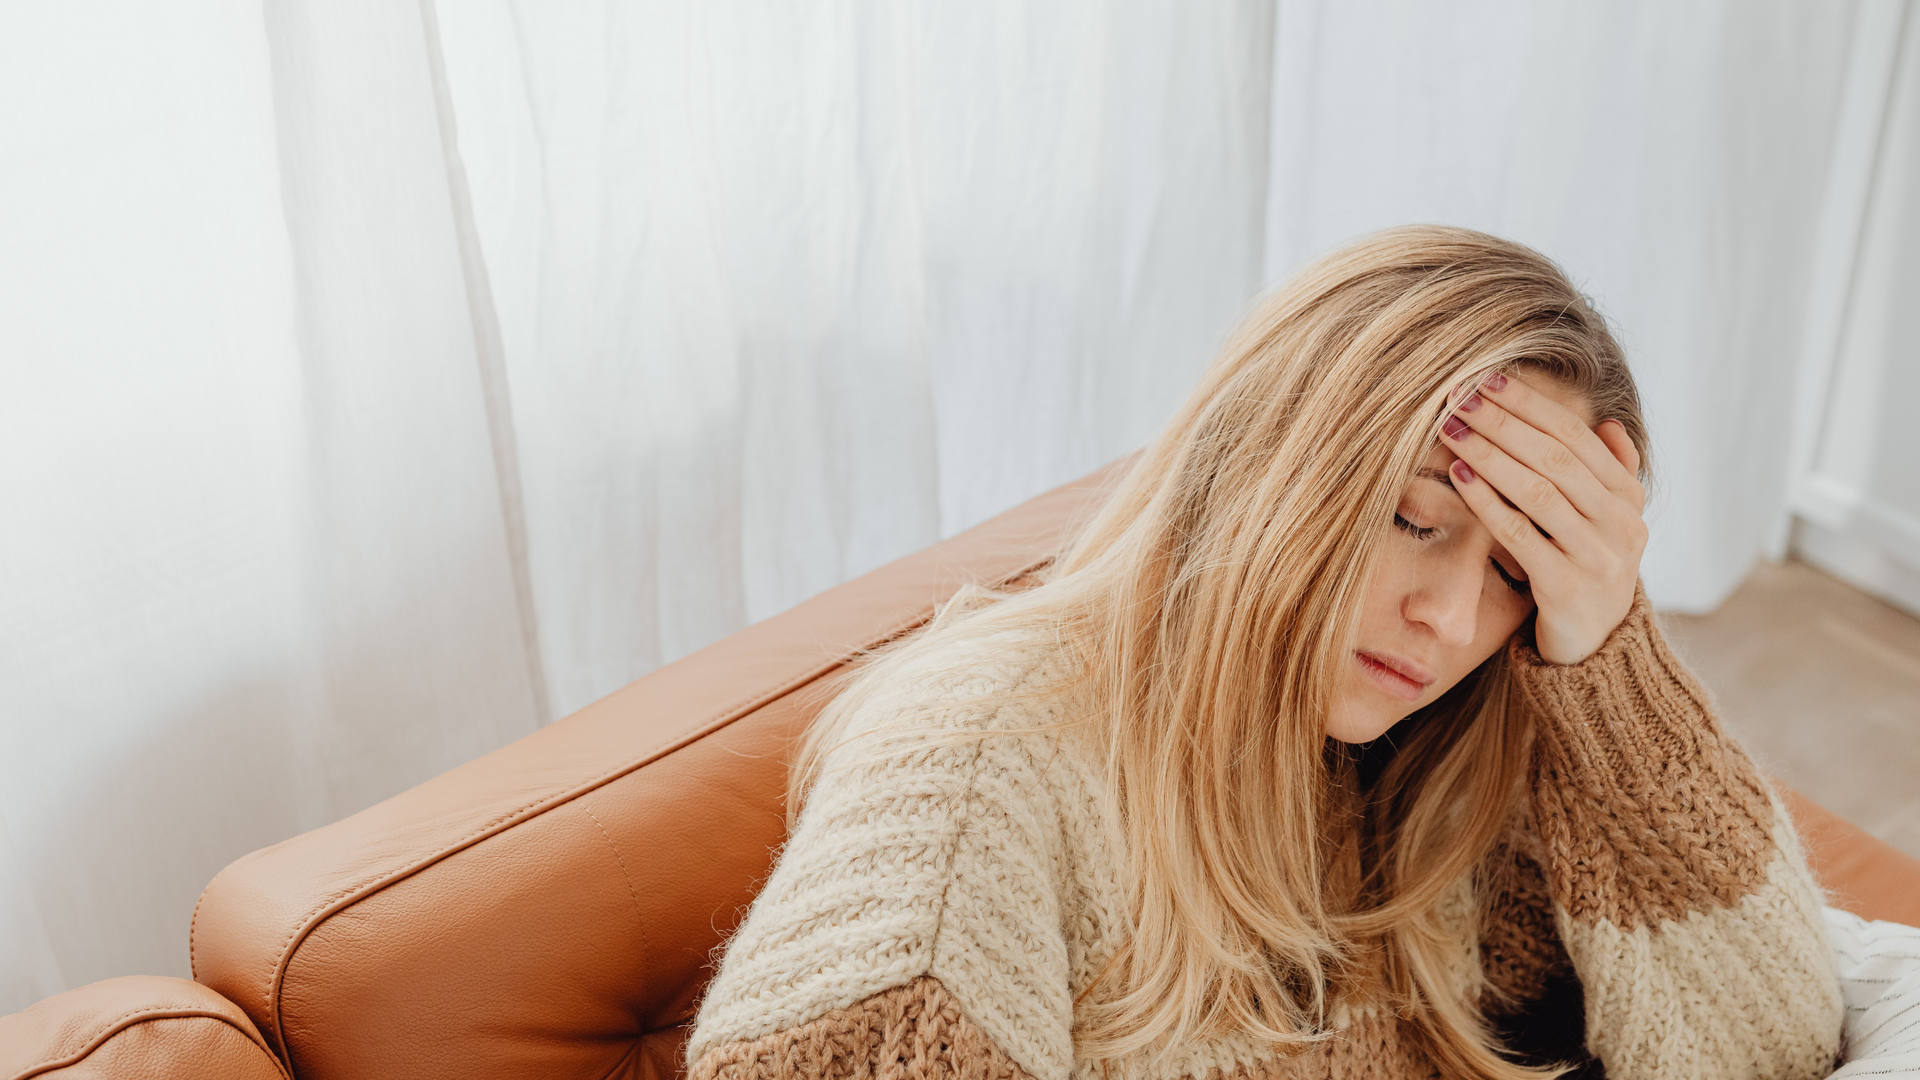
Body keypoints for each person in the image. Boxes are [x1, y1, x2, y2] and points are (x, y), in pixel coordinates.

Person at [685, 226, 1843, 1080]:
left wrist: (1611, 661)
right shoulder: (983, 762)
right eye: (1413, 520)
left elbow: (1774, 1050)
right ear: (1270, 464)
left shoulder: (1473, 747)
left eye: (1515, 570)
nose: (1448, 616)